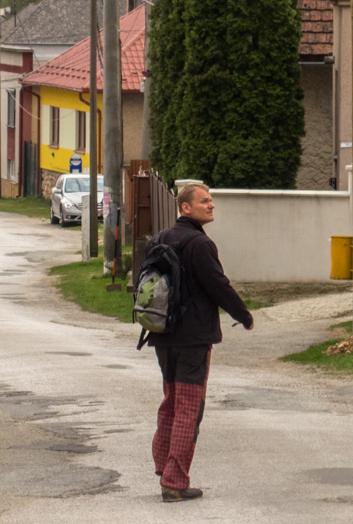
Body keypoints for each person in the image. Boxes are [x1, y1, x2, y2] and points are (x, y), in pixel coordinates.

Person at [148, 182, 253, 503]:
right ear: (186, 207)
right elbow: (218, 286)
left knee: (171, 401)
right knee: (188, 407)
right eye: (205, 201)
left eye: (211, 201)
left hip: (162, 334)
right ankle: (175, 482)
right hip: (193, 338)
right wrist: (244, 315)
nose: (212, 206)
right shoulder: (199, 244)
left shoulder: (161, 239)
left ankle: (163, 466)